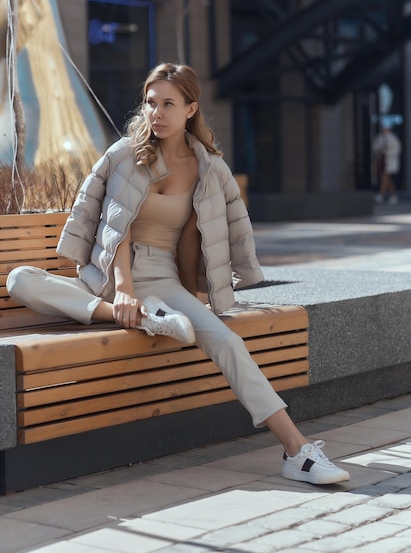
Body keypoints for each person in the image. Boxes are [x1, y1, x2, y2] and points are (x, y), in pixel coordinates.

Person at [7, 62, 350, 486]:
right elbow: (118, 228)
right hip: (109, 277)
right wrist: (125, 294)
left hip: (163, 280)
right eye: (151, 102)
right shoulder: (126, 154)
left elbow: (193, 240)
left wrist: (196, 298)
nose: (157, 113)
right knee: (20, 278)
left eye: (168, 103)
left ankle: (297, 450)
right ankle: (128, 316)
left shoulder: (208, 168)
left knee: (226, 340)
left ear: (191, 108)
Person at [372, 122, 402, 204]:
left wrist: (386, 152)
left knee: (385, 178)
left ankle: (381, 195)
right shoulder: (380, 138)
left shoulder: (393, 138)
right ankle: (393, 196)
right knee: (386, 179)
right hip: (382, 161)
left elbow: (397, 150)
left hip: (390, 161)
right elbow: (375, 147)